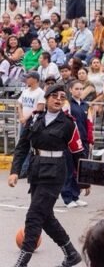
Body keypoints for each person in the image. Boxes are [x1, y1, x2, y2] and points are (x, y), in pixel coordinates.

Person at [8, 84, 86, 267]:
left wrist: (85, 180)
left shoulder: (68, 123)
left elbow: (78, 153)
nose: (58, 99)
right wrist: (15, 171)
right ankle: (71, 254)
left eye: (62, 97)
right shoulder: (35, 118)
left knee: (34, 215)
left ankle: (22, 262)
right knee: (46, 216)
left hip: (55, 173)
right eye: (54, 96)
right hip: (36, 170)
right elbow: (22, 146)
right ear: (47, 98)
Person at [61, 80, 94, 209]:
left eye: (81, 89)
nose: (79, 91)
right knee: (69, 170)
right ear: (70, 90)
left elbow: (89, 124)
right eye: (76, 89)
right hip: (70, 142)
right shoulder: (67, 104)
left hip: (83, 141)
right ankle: (67, 197)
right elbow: (64, 121)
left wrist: (90, 140)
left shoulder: (86, 106)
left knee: (79, 170)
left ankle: (75, 195)